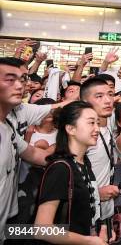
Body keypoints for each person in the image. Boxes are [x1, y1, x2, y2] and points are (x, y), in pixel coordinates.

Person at [33, 101, 111, 244]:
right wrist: (88, 241)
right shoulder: (61, 168)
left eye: (98, 123)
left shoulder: (84, 163)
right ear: (70, 129)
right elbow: (42, 229)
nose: (97, 129)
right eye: (91, 123)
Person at [0, 58, 54, 240]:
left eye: (22, 79)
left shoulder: (8, 127)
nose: (19, 85)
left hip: (7, 222)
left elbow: (35, 155)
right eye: (9, 79)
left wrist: (67, 145)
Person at [80, 77, 120, 236]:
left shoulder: (105, 128)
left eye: (110, 94)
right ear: (84, 101)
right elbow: (67, 183)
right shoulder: (81, 136)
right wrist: (96, 193)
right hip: (83, 220)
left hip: (103, 216)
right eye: (99, 96)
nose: (108, 100)